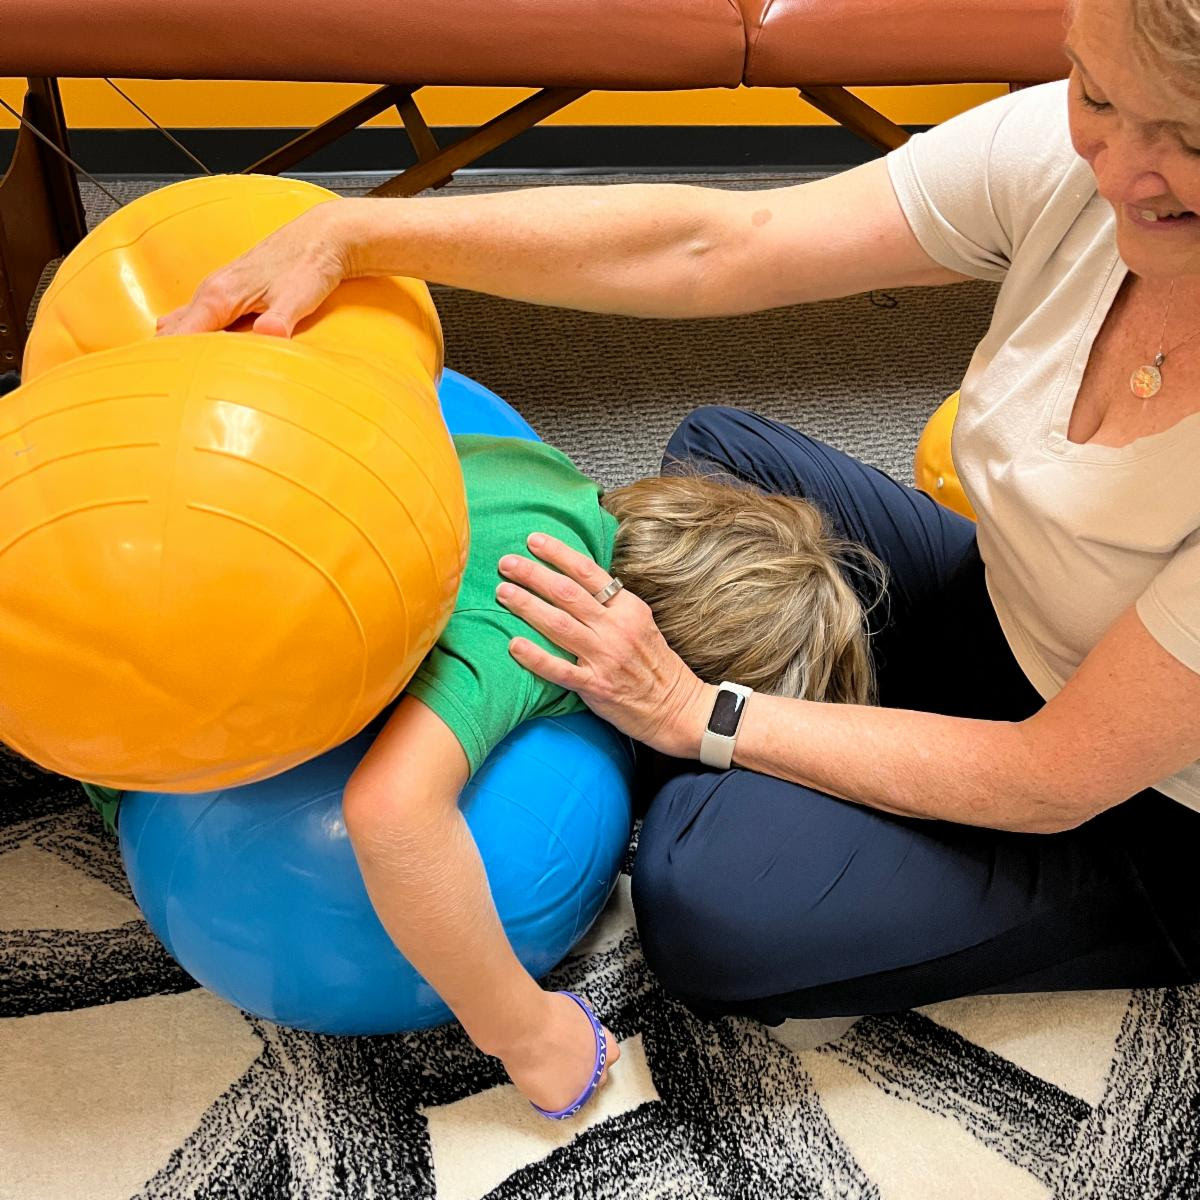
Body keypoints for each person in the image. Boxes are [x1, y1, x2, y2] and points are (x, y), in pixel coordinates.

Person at [159, 0, 1200, 1034]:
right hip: (1016, 604)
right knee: (722, 451)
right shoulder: (1070, 157)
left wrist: (697, 714)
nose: (1114, 168)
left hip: (1135, 800)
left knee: (708, 903)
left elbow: (1050, 778)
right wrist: (357, 230)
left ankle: (690, 723)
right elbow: (720, 242)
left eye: (1188, 140)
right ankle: (737, 707)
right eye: (1095, 92)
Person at [82, 435, 878, 1116]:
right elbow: (390, 812)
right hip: (94, 660)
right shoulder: (540, 638)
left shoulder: (536, 474)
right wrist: (525, 1033)